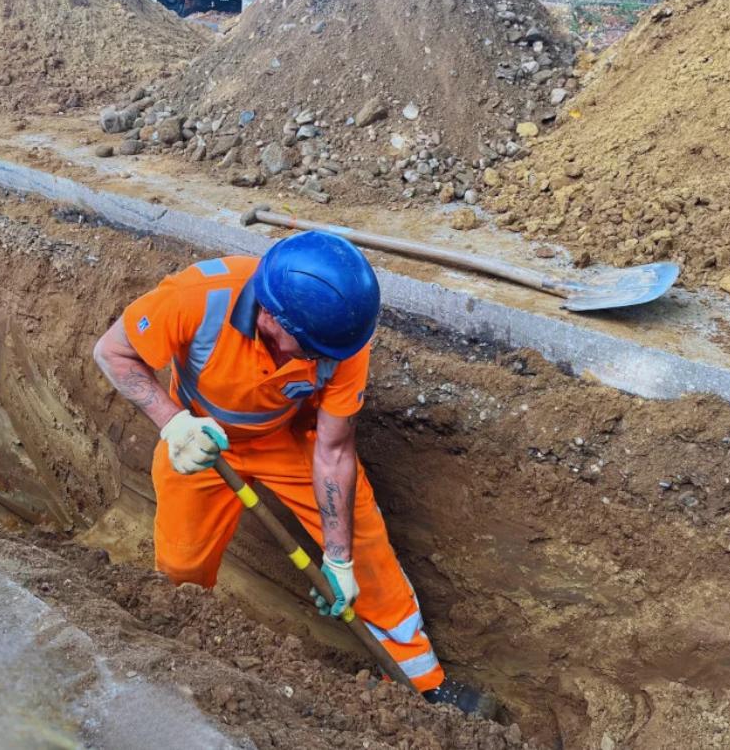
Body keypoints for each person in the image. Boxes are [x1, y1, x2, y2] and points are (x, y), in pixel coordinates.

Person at [93, 230, 493, 716]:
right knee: (181, 565)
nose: (319, 361)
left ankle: (422, 684)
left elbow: (335, 450)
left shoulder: (338, 341)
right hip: (203, 441)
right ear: (269, 315)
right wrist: (172, 422)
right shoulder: (199, 298)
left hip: (287, 440)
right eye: (308, 350)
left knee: (366, 550)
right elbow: (112, 352)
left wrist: (340, 559)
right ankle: (181, 658)